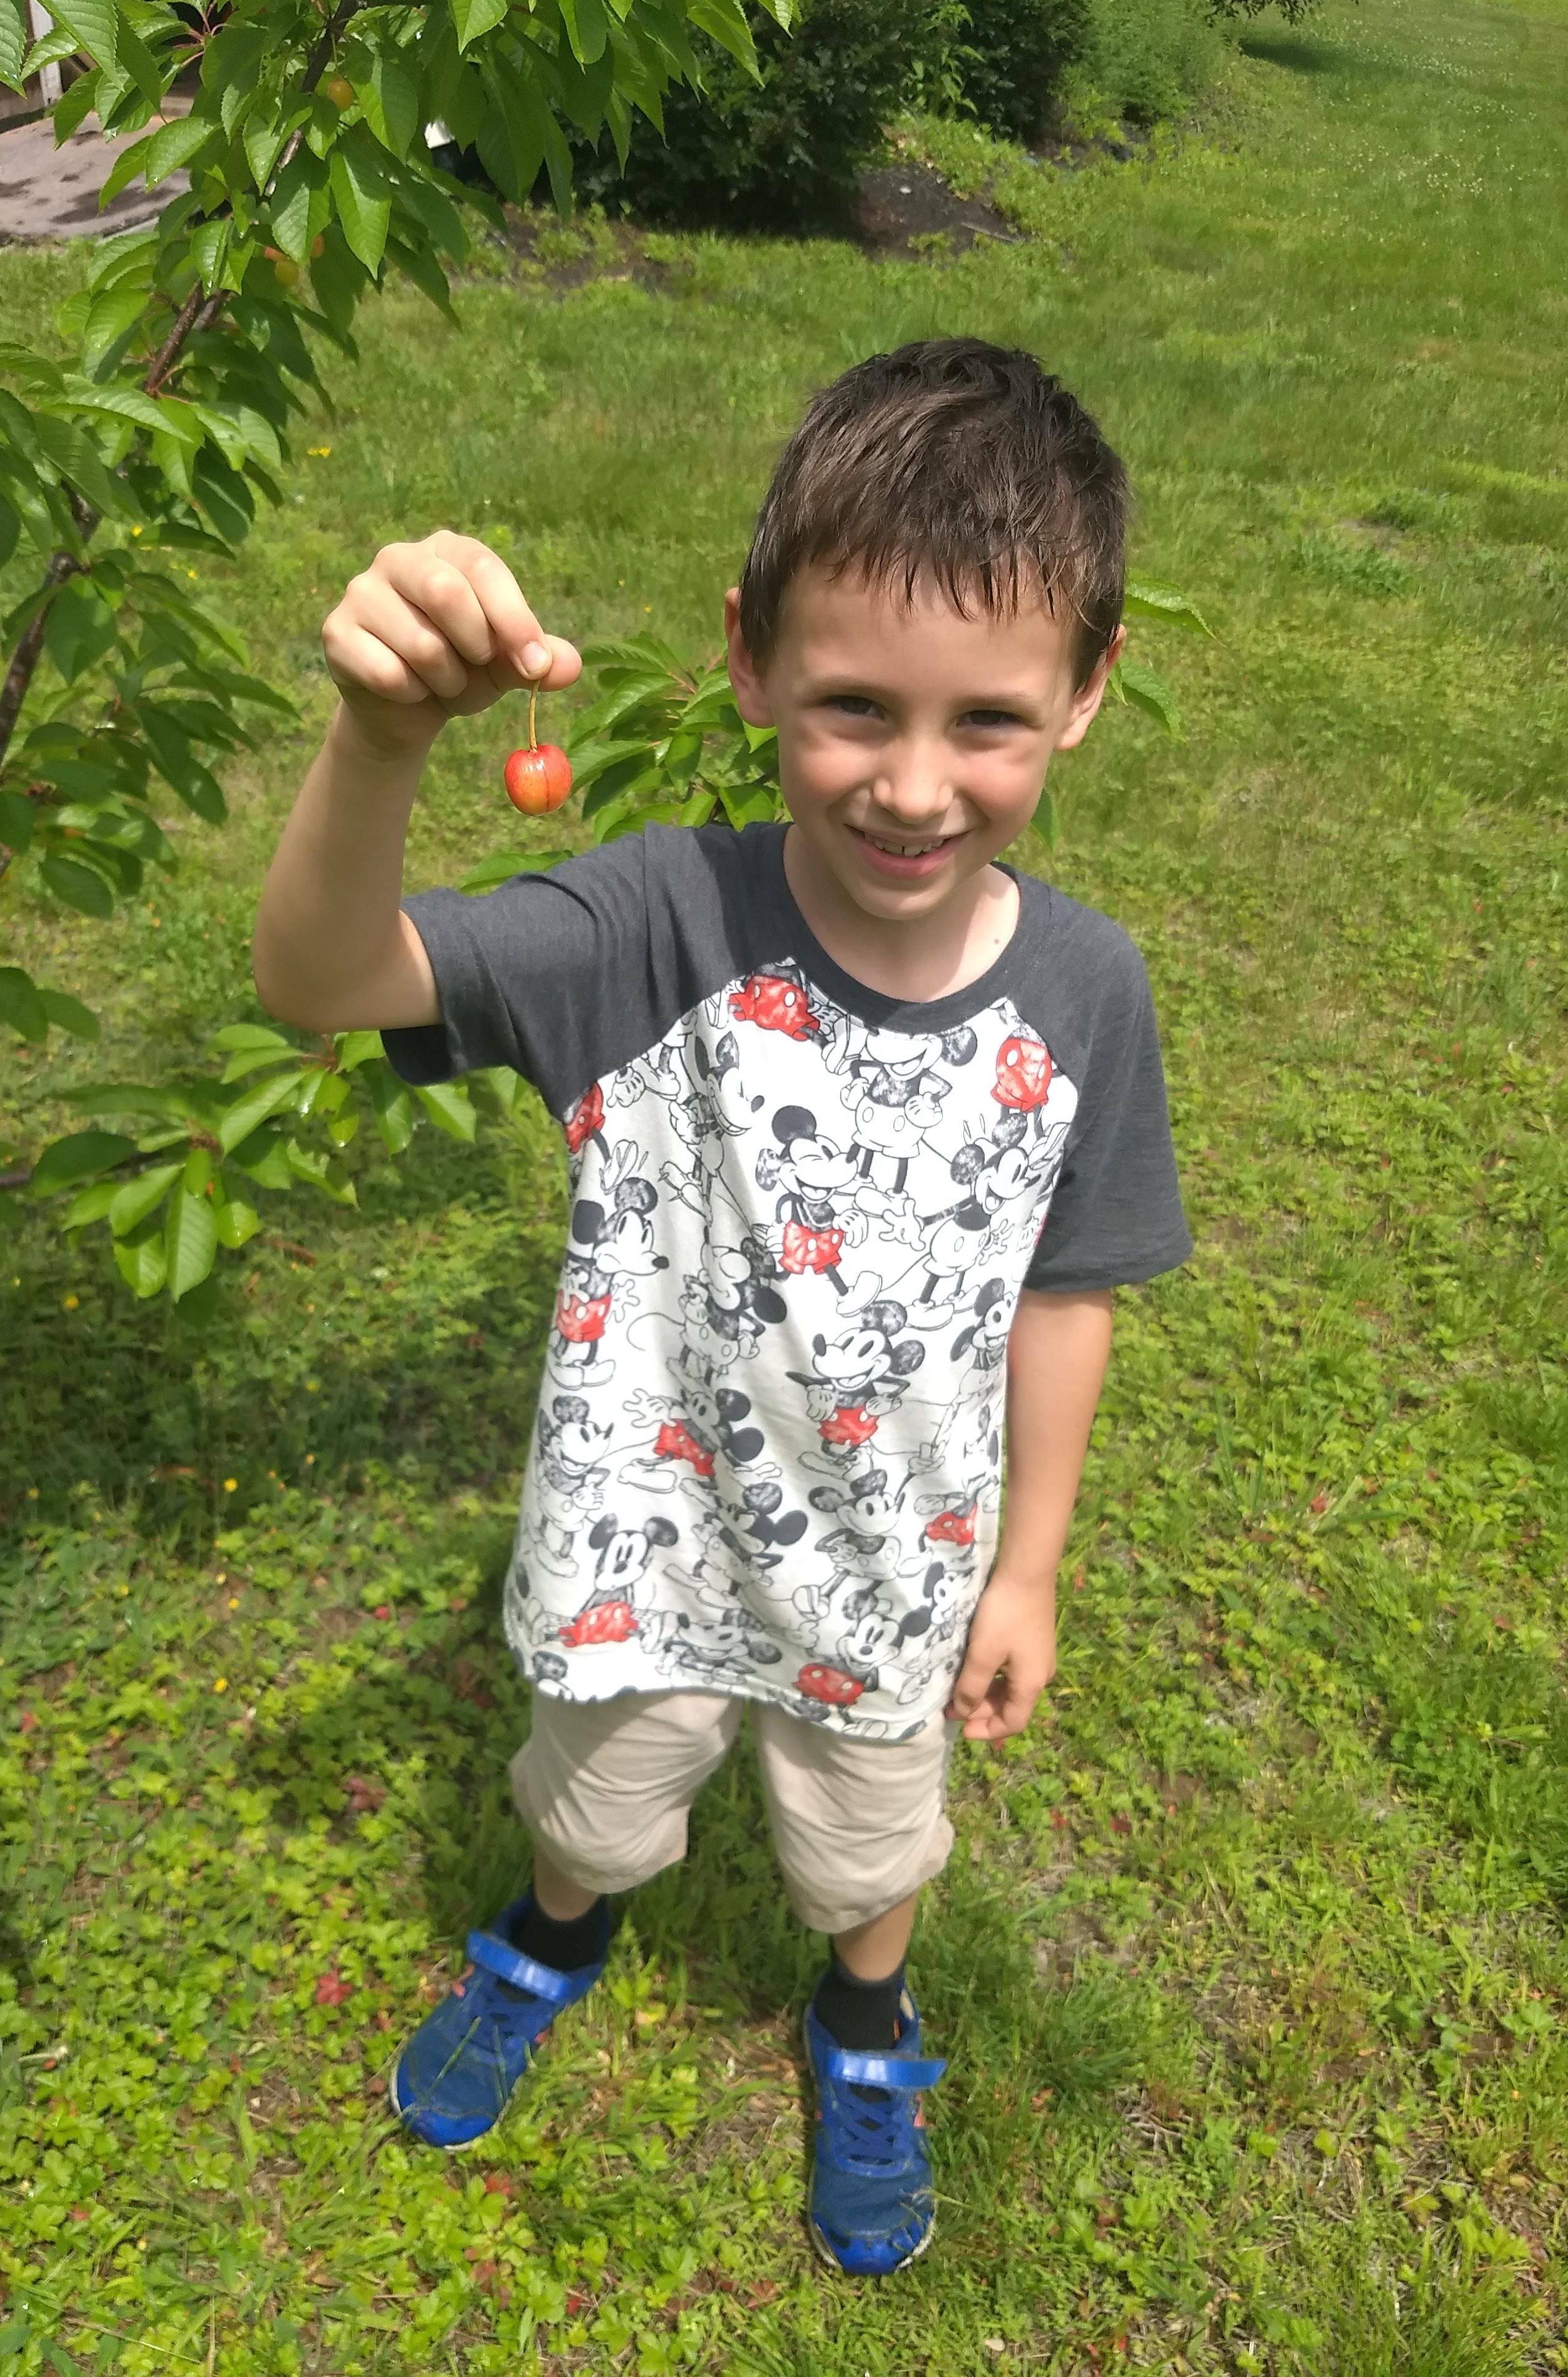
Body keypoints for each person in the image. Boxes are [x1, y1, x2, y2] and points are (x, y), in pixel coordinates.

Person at [252, 337, 1192, 2277]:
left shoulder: (1088, 994)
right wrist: (380, 741)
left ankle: (866, 2023)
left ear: (1088, 693)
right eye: (852, 706)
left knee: (869, 1845)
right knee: (595, 1809)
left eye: (989, 722)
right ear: (749, 657)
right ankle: (553, 1939)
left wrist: (1027, 1568)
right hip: (643, 1546)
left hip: (896, 1563)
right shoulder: (651, 926)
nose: (913, 786)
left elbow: (1069, 1292)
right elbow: (323, 981)